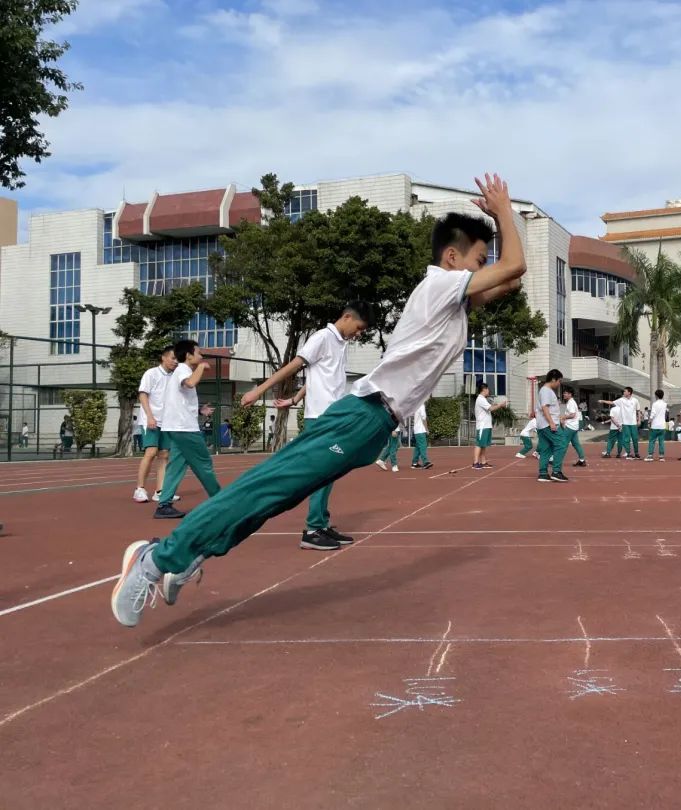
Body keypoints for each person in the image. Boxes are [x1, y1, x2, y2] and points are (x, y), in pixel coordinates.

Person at [111, 174, 528, 627]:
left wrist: (500, 228)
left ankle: (190, 553)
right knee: (268, 486)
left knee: (280, 497)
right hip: (360, 416)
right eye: (478, 259)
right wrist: (503, 211)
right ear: (452, 258)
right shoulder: (439, 286)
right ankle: (155, 559)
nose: (484, 268)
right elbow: (514, 267)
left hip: (375, 425)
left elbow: (511, 280)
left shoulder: (455, 304)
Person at [240, 303, 370, 550]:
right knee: (321, 472)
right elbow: (294, 365)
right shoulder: (322, 337)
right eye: (359, 328)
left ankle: (320, 524)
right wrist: (259, 391)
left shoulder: (340, 343)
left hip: (334, 416)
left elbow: (317, 377)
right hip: (320, 419)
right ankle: (312, 530)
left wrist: (294, 400)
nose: (358, 334)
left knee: (331, 472)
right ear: (347, 317)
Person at [152, 339, 222, 519]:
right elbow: (190, 383)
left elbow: (181, 399)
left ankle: (164, 505)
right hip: (184, 428)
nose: (201, 356)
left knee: (176, 466)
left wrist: (199, 410)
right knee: (204, 463)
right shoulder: (183, 369)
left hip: (177, 427)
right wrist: (202, 367)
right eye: (198, 353)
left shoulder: (180, 371)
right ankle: (221, 501)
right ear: (189, 355)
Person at [133, 347, 178, 504]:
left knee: (164, 455)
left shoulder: (175, 377)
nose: (175, 361)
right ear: (163, 357)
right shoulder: (151, 373)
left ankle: (160, 491)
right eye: (173, 358)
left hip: (166, 422)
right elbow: (143, 395)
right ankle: (139, 489)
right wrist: (150, 417)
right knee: (151, 452)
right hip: (150, 420)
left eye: (177, 359)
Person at [536, 368, 570, 482]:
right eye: (559, 381)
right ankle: (556, 471)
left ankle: (543, 473)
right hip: (548, 424)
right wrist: (551, 423)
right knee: (562, 444)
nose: (559, 383)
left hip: (542, 424)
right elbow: (545, 407)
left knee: (546, 449)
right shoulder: (546, 391)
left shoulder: (544, 390)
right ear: (553, 379)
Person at [473, 383, 508, 470]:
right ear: (484, 389)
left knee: (483, 444)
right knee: (479, 444)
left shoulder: (483, 399)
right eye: (488, 389)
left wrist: (498, 405)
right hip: (482, 425)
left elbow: (490, 407)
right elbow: (491, 408)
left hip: (486, 425)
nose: (489, 391)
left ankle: (483, 462)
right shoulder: (480, 399)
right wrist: (500, 405)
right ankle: (475, 463)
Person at [600, 388, 640, 460]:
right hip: (624, 424)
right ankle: (624, 453)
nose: (623, 392)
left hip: (626, 424)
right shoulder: (621, 401)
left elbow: (638, 411)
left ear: (629, 392)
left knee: (633, 439)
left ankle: (635, 453)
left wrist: (639, 420)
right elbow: (612, 403)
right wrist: (603, 401)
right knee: (624, 440)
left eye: (625, 391)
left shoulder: (635, 400)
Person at [560, 385, 587, 467]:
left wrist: (563, 417)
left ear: (570, 394)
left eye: (565, 393)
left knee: (563, 444)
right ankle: (582, 460)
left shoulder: (571, 403)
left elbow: (572, 415)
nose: (564, 394)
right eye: (564, 393)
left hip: (570, 427)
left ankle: (557, 460)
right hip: (574, 427)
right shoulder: (571, 402)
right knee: (576, 444)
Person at [645, 389, 668, 462]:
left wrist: (649, 421)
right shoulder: (665, 404)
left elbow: (653, 414)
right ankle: (661, 456)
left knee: (652, 441)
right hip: (662, 425)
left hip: (655, 425)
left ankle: (650, 455)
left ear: (656, 396)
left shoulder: (655, 404)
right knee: (661, 441)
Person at [411, 402, 433, 468]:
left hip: (417, 429)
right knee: (423, 446)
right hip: (420, 429)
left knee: (418, 447)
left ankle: (414, 463)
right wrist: (426, 429)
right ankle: (425, 462)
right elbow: (424, 418)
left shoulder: (416, 405)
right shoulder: (421, 405)